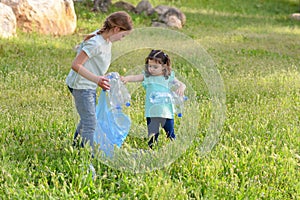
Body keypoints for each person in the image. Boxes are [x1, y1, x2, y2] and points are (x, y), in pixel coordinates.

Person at [66, 11, 133, 154]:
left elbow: (94, 64)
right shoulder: (95, 43)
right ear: (116, 29)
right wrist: (97, 79)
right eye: (123, 35)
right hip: (81, 86)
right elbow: (76, 65)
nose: (122, 39)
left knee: (87, 117)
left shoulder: (106, 40)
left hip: (89, 84)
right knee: (91, 122)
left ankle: (76, 147)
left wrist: (105, 76)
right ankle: (86, 157)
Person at [121, 49, 186, 149]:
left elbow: (182, 84)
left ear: (164, 66)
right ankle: (151, 150)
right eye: (149, 66)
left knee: (170, 133)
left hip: (166, 112)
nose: (151, 69)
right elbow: (135, 77)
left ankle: (176, 148)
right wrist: (126, 79)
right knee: (152, 135)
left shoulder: (168, 77)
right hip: (152, 113)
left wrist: (181, 88)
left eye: (155, 67)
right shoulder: (148, 76)